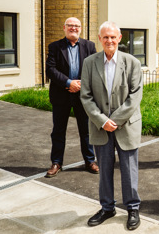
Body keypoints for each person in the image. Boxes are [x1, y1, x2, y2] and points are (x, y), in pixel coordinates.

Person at [80, 21, 143, 231]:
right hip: (100, 127)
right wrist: (102, 120)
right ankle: (107, 208)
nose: (109, 41)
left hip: (126, 126)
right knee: (104, 169)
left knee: (129, 169)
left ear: (119, 38)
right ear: (100, 39)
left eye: (113, 37)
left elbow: (135, 96)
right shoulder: (90, 62)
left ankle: (132, 208)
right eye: (105, 37)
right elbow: (86, 96)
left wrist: (114, 120)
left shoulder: (132, 62)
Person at [45, 17, 98, 178]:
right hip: (61, 95)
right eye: (70, 26)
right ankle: (56, 162)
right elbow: (50, 70)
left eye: (76, 26)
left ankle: (90, 161)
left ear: (81, 28)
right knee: (58, 131)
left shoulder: (89, 46)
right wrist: (68, 82)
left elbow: (95, 67)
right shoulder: (55, 46)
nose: (73, 28)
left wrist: (80, 83)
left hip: (83, 96)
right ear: (64, 28)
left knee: (86, 131)